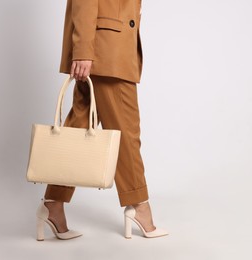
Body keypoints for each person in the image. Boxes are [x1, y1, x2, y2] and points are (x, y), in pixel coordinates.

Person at [35, 0, 168, 241]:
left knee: (78, 130)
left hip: (106, 47)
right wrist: (84, 50)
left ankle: (53, 203)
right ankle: (139, 206)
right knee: (126, 131)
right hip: (106, 52)